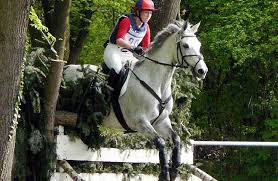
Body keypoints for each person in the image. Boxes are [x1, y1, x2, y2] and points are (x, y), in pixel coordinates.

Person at [103, 0, 158, 92]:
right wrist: (133, 48)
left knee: (138, 73)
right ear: (137, 12)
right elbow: (119, 40)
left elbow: (146, 47)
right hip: (113, 50)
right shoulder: (127, 20)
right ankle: (108, 93)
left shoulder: (146, 27)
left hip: (128, 55)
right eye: (146, 12)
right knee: (118, 70)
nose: (149, 15)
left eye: (150, 13)